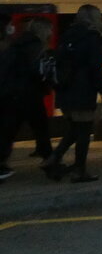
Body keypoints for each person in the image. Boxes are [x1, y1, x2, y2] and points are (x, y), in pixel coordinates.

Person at [43, 5, 102, 183]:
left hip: (65, 92)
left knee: (74, 129)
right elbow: (96, 68)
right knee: (84, 132)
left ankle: (53, 159)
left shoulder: (67, 35)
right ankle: (80, 170)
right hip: (83, 92)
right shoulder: (91, 38)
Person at [0, 18, 55, 180]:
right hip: (27, 95)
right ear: (43, 30)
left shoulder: (16, 45)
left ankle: (48, 159)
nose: (51, 33)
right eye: (49, 30)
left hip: (12, 94)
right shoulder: (35, 47)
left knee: (9, 131)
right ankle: (49, 160)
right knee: (40, 128)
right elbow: (38, 71)